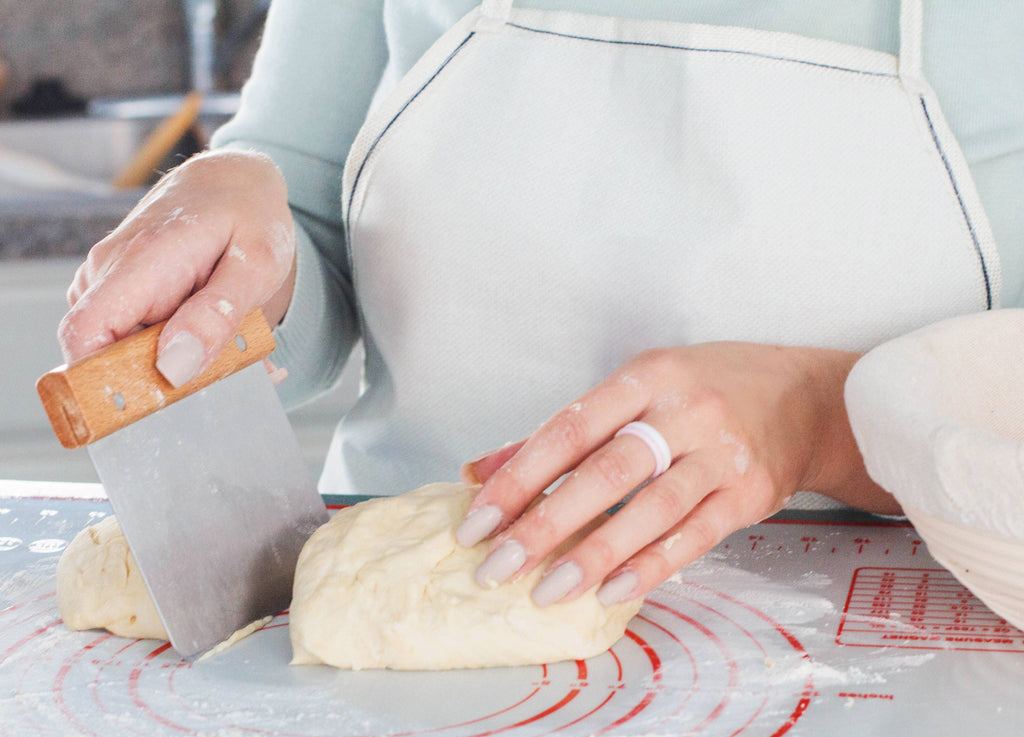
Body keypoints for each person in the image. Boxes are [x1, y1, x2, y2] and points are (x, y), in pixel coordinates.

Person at [58, 0, 1023, 611]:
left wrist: (821, 420)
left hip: (894, 681)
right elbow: (309, 207)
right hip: (394, 658)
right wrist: (239, 224)